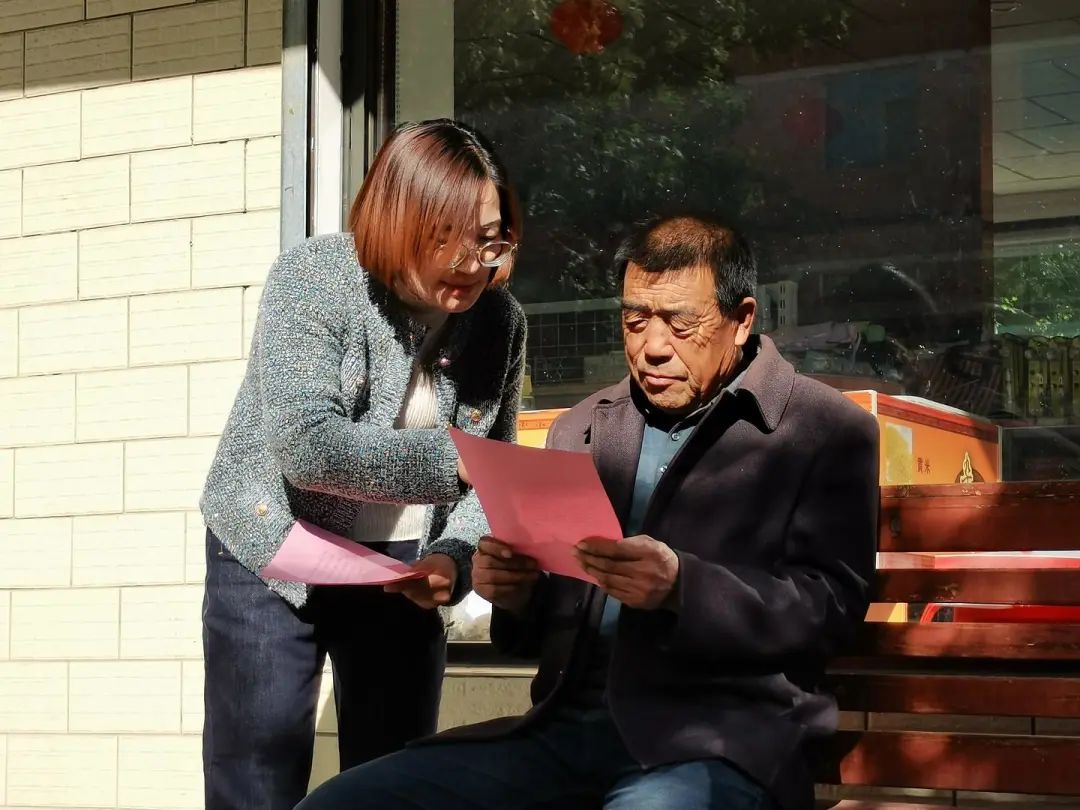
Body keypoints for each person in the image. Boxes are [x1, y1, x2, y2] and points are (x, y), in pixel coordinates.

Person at [297, 213, 879, 810]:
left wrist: (684, 586)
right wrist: (518, 593)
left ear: (742, 319)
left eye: (681, 324)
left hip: (719, 745)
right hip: (560, 733)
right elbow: (547, 625)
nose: (653, 348)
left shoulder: (824, 431)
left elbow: (829, 610)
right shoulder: (582, 428)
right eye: (635, 320)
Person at [199, 119, 526, 810]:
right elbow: (308, 447)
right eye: (448, 236)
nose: (473, 263)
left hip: (401, 571)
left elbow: (494, 467)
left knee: (394, 779)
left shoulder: (500, 321)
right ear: (397, 219)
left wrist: (454, 558)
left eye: (490, 238)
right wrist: (455, 460)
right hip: (271, 545)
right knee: (256, 780)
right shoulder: (315, 277)